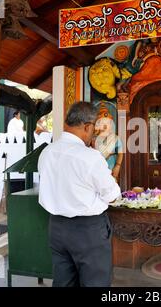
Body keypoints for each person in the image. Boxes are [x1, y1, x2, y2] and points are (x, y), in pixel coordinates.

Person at [38, 102, 121, 287]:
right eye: (95, 129)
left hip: (57, 228)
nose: (95, 134)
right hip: (88, 232)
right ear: (87, 126)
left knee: (64, 282)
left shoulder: (47, 153)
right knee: (95, 283)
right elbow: (112, 195)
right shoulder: (90, 157)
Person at [92, 102, 123, 182]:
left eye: (107, 123)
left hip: (111, 168)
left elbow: (120, 153)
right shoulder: (93, 139)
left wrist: (118, 166)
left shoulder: (115, 138)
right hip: (96, 169)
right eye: (102, 123)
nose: (105, 126)